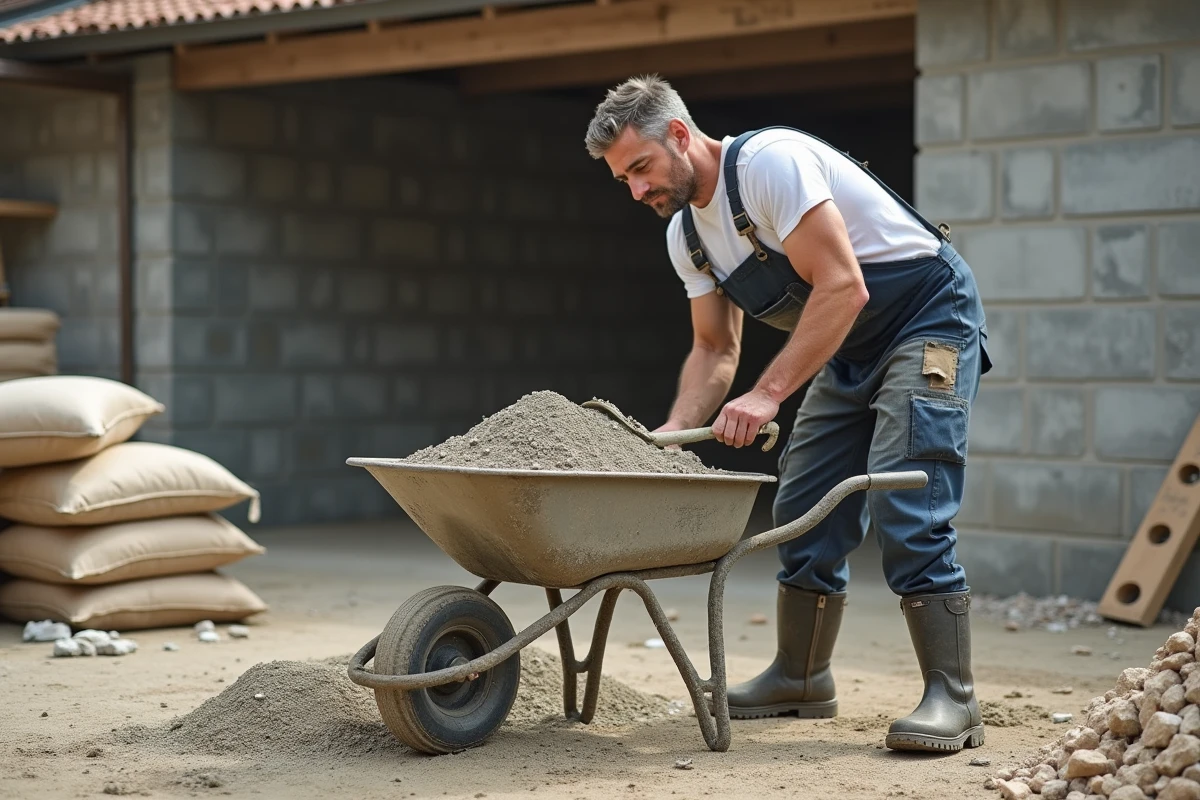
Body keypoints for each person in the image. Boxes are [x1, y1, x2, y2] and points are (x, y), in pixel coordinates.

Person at [583, 75, 992, 754]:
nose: (636, 190)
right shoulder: (688, 235)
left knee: (904, 493)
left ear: (680, 136)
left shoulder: (770, 165)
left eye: (641, 168)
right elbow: (715, 348)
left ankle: (955, 696)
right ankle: (801, 678)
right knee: (804, 500)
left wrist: (767, 394)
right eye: (622, 178)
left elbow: (843, 284)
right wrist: (669, 439)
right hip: (849, 343)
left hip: (926, 316)